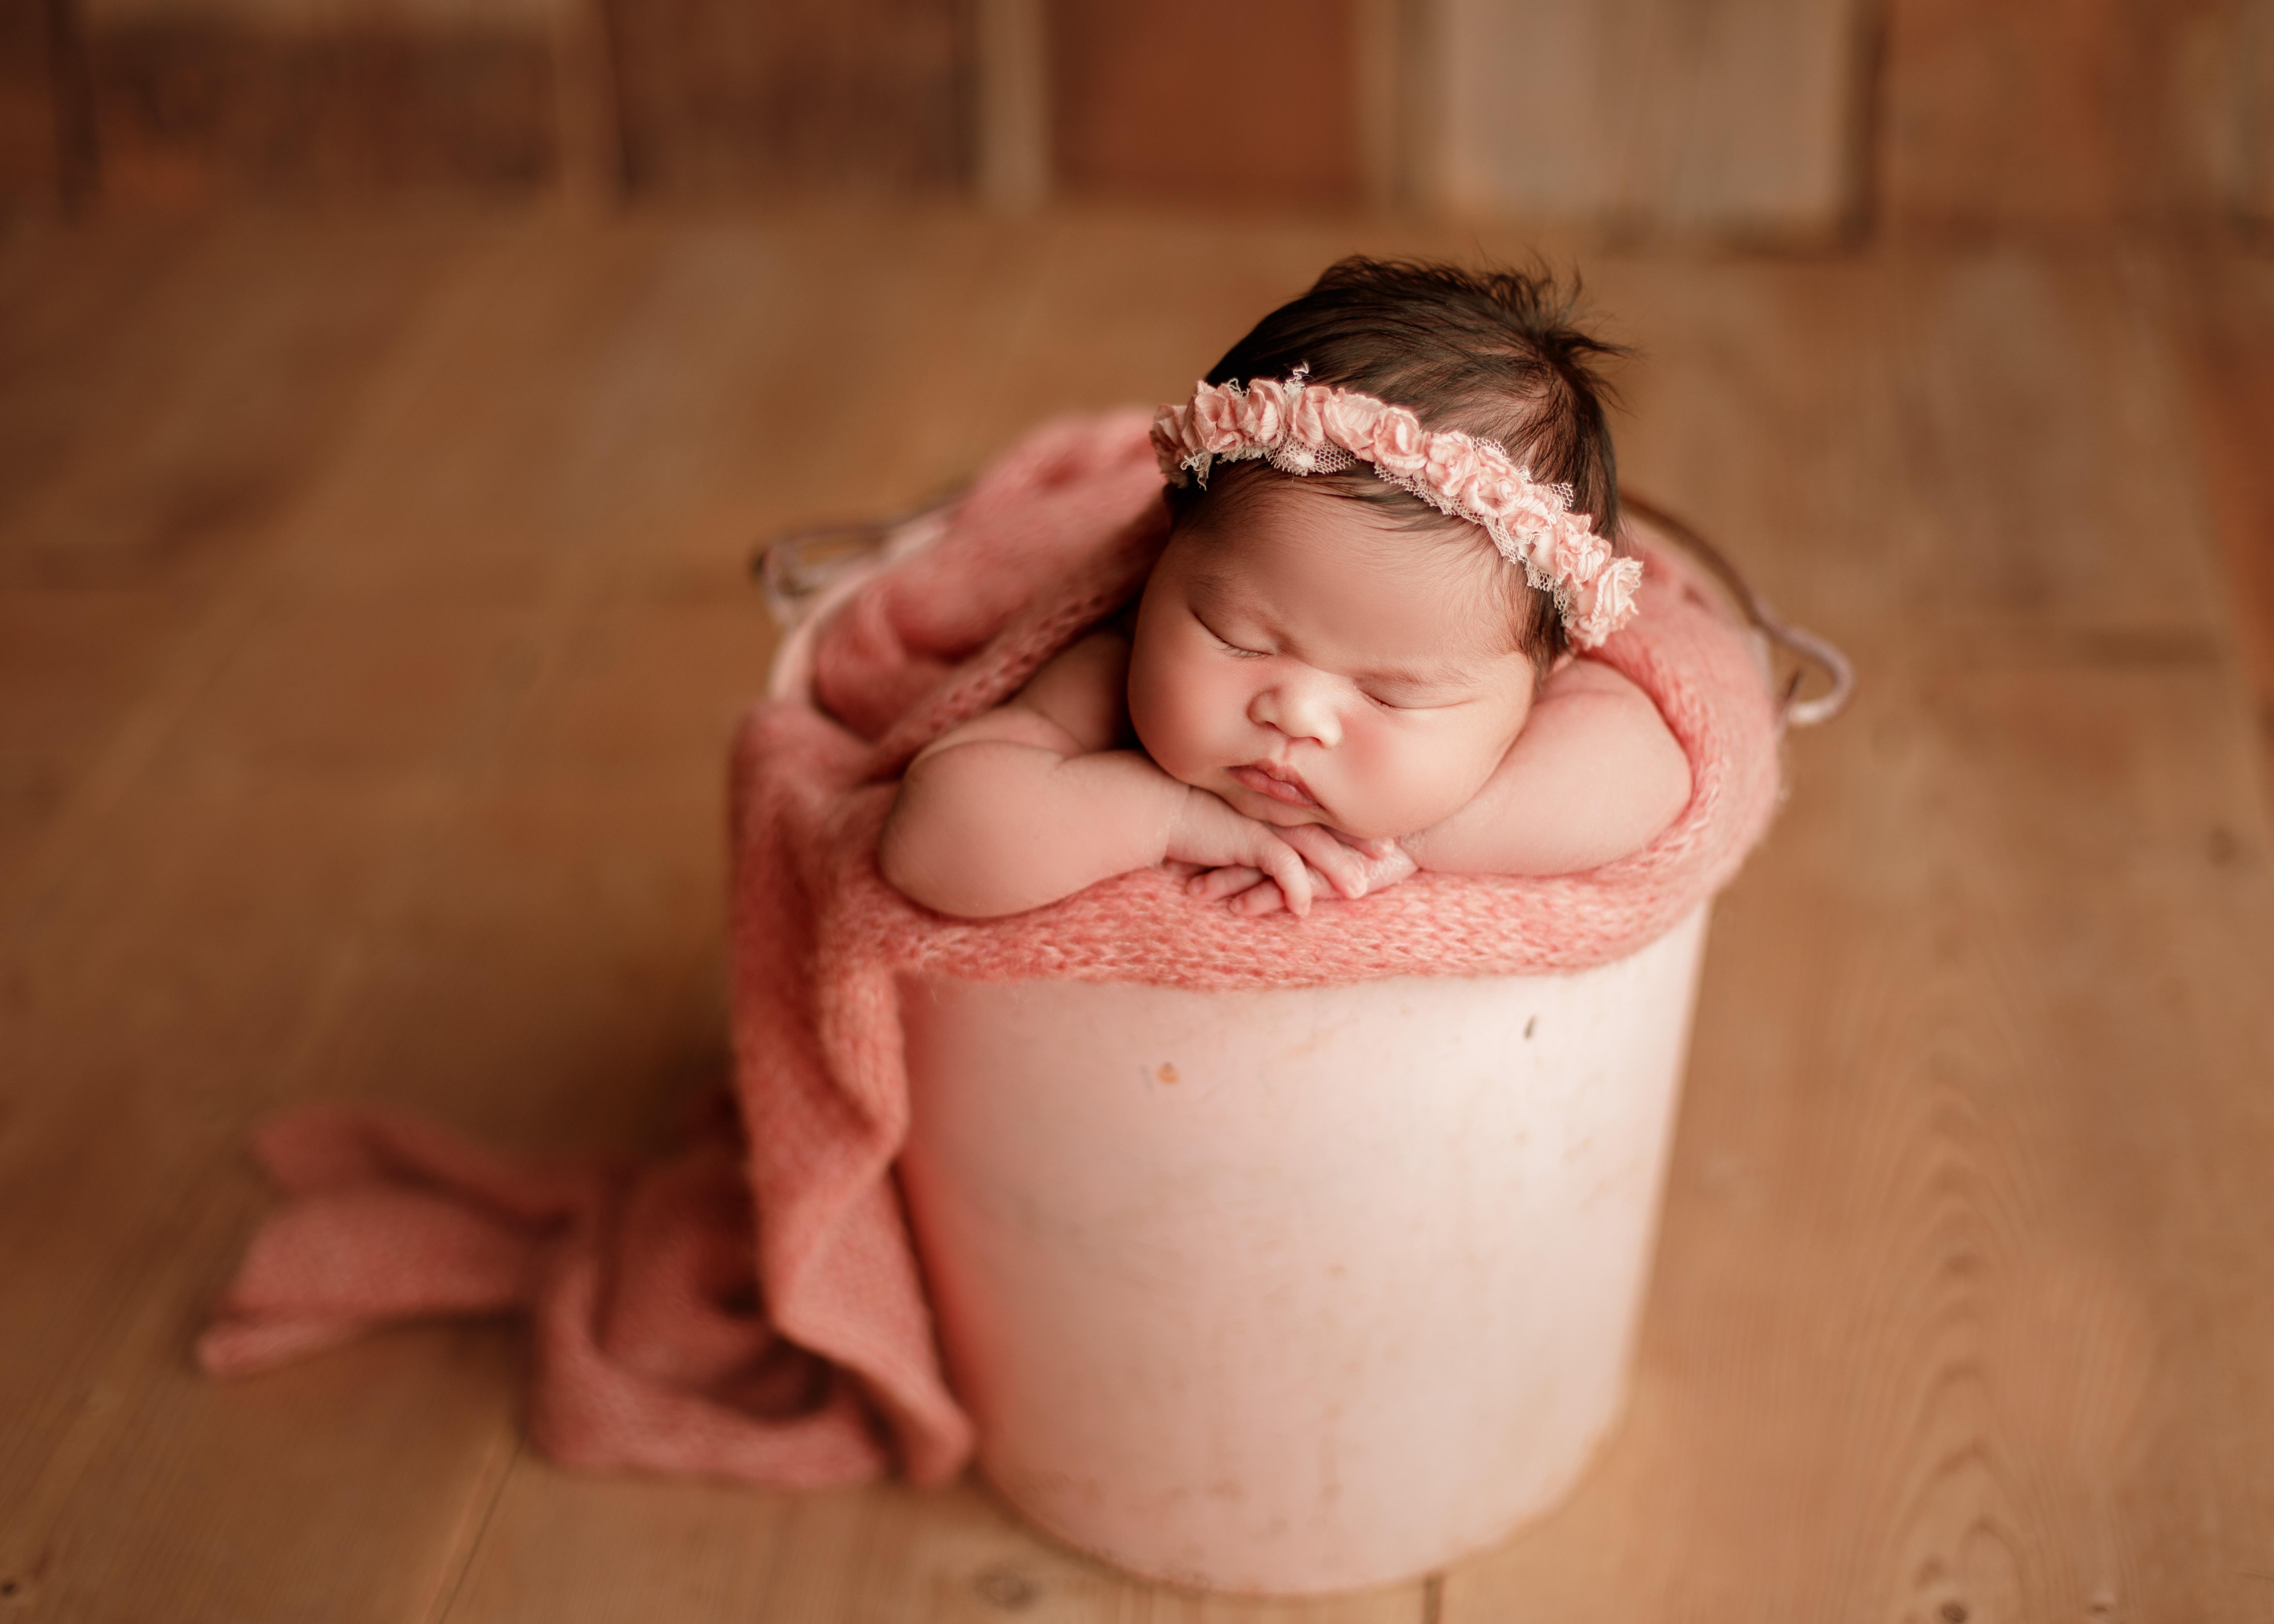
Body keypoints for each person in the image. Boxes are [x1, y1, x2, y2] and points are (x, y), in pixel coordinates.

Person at [878, 258, 1692, 919]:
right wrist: (1162, 817)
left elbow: (1653, 774)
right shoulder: (1104, 685)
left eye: (1389, 695)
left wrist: (1415, 838)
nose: (1295, 714)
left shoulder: (1537, 713)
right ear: (1163, 559)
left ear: (1538, 679)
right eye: (1239, 637)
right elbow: (926, 842)